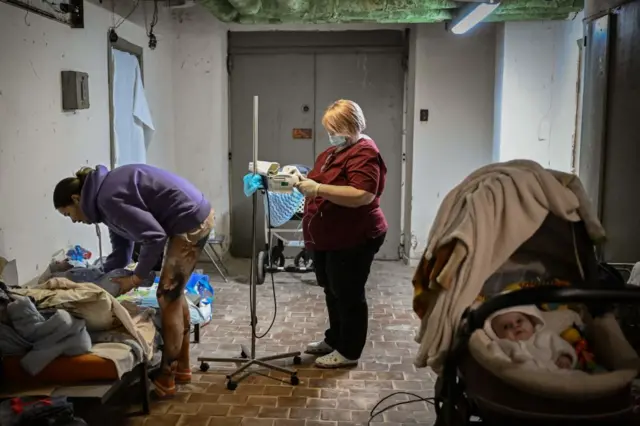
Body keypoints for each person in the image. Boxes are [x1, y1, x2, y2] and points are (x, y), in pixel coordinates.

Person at [53, 164, 214, 398]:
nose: (73, 221)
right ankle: (183, 367)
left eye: (68, 214)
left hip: (191, 219)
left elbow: (154, 237)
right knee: (173, 293)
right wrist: (101, 277)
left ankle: (166, 376)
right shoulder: (102, 198)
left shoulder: (107, 199)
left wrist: (136, 278)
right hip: (190, 214)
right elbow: (121, 251)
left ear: (76, 199)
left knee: (166, 295)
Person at [294, 99, 388, 368]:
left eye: (336, 129)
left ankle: (348, 351)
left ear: (351, 126)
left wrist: (318, 190)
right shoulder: (333, 153)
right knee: (332, 290)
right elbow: (319, 178)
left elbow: (362, 194)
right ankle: (334, 339)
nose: (331, 135)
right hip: (329, 237)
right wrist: (298, 178)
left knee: (348, 293)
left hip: (354, 236)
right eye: (329, 129)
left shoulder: (365, 153)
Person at [485, 305, 576, 371]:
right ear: (497, 335)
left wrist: (565, 357)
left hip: (556, 373)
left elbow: (561, 346)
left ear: (531, 322)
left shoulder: (546, 336)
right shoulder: (502, 345)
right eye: (506, 326)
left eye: (519, 321)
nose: (515, 326)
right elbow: (495, 360)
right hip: (522, 379)